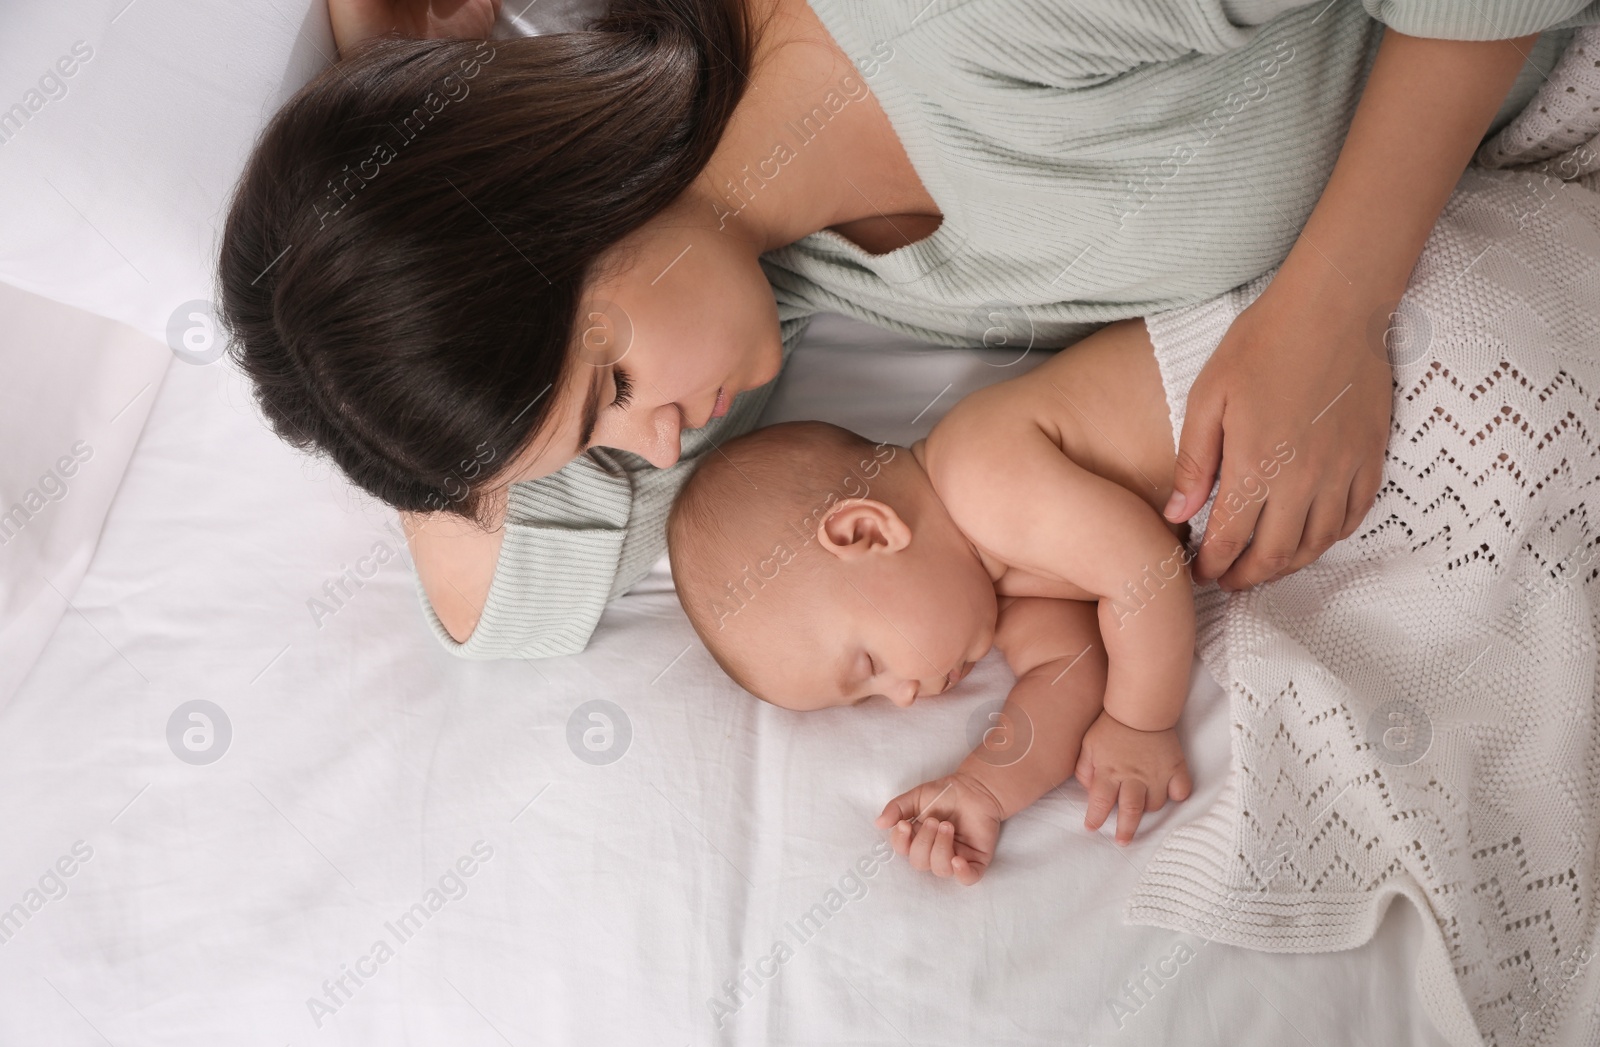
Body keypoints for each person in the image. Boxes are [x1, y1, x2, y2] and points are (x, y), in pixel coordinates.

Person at [216, 0, 1594, 659]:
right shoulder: (778, 276)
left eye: (613, 388)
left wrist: (1331, 311)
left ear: (576, 191)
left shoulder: (952, 25)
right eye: (610, 439)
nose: (654, 442)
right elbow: (500, 618)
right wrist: (379, 119)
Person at [665, 315, 1198, 879]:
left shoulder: (981, 474)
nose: (902, 699)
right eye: (871, 698)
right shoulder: (991, 587)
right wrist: (982, 789)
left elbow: (1148, 571)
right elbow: (1072, 673)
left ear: (867, 533)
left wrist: (1140, 723)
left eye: (870, 665)